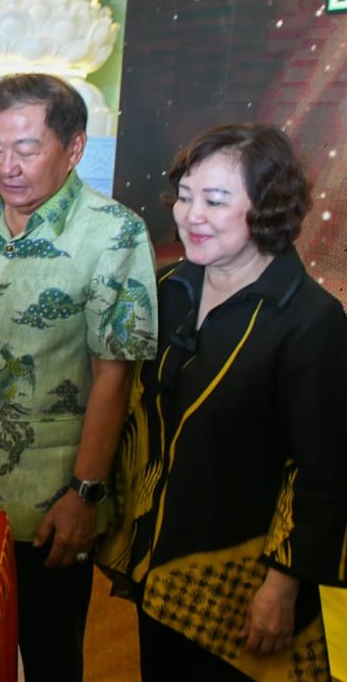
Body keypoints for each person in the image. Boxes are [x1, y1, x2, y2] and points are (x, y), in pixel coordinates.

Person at [0, 73, 157, 681]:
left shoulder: (114, 234)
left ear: (74, 147)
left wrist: (83, 494)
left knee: (49, 655)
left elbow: (115, 376)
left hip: (47, 501)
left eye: (27, 148)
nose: (7, 167)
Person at [99, 124, 347, 681]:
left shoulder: (311, 321)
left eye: (214, 200)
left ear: (267, 210)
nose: (191, 215)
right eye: (185, 197)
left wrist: (283, 586)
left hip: (240, 580)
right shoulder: (172, 290)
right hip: (158, 568)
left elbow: (323, 473)